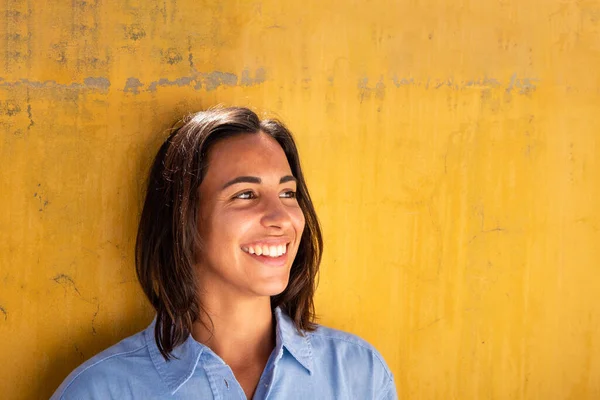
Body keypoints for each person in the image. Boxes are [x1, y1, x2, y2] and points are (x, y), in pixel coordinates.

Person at [51, 107, 397, 399]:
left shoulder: (360, 376)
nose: (281, 218)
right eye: (245, 194)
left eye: (288, 193)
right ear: (184, 220)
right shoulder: (101, 391)